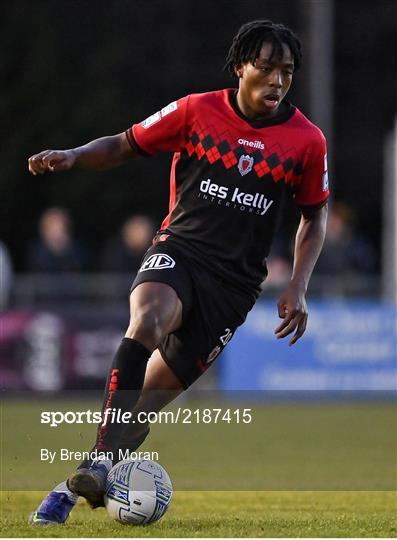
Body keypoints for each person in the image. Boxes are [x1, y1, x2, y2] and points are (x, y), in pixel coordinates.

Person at [27, 19, 329, 525]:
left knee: (143, 407)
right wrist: (74, 156)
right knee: (147, 320)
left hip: (232, 288)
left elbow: (314, 216)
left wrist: (298, 285)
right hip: (180, 251)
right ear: (240, 68)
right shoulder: (196, 111)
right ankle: (102, 458)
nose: (277, 80)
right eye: (266, 68)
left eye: (287, 71)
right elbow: (125, 143)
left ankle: (77, 480)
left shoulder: (305, 141)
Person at [27, 207, 86, 273]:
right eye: (55, 226)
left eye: (62, 226)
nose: (59, 231)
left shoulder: (78, 250)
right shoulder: (37, 251)